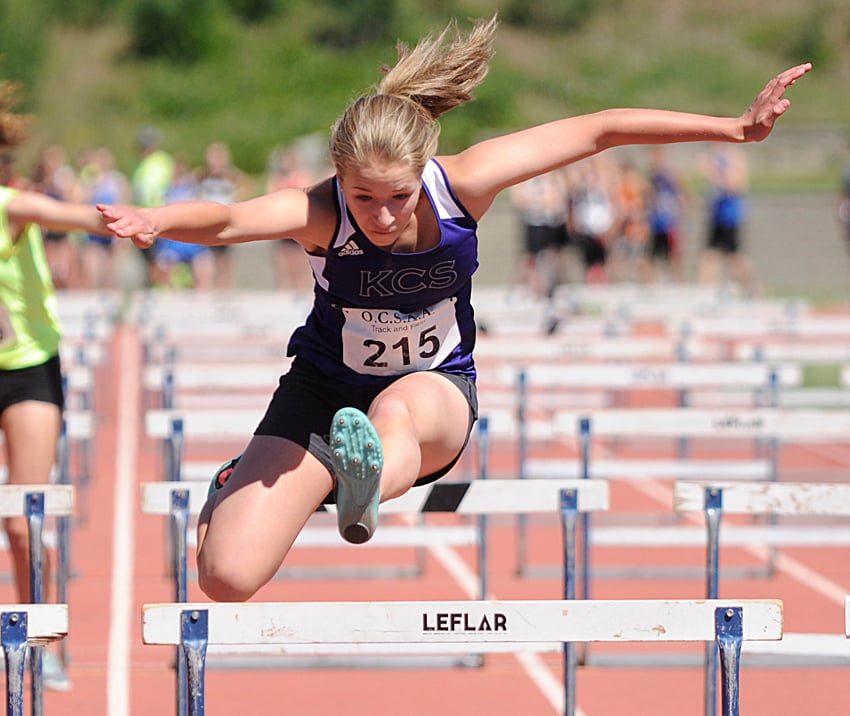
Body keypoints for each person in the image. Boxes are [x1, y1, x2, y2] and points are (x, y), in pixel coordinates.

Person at [99, 16, 811, 602]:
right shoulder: (317, 212)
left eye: (397, 196)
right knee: (226, 577)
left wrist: (734, 128)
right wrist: (160, 217)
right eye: (362, 196)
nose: (380, 216)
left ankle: (365, 473)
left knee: (395, 415)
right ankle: (279, 477)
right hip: (322, 388)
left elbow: (600, 130)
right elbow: (225, 220)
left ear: (423, 173)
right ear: (338, 177)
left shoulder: (463, 185)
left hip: (434, 391)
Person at [0, 89, 111, 686]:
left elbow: (80, 218)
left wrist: (146, 221)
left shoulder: (12, 205)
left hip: (25, 368)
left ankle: (45, 643)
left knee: (21, 517)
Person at [697, 142, 758, 293]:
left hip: (729, 216)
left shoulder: (733, 157)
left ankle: (754, 288)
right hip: (717, 215)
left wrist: (715, 174)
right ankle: (706, 293)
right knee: (709, 257)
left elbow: (736, 185)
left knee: (734, 258)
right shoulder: (716, 158)